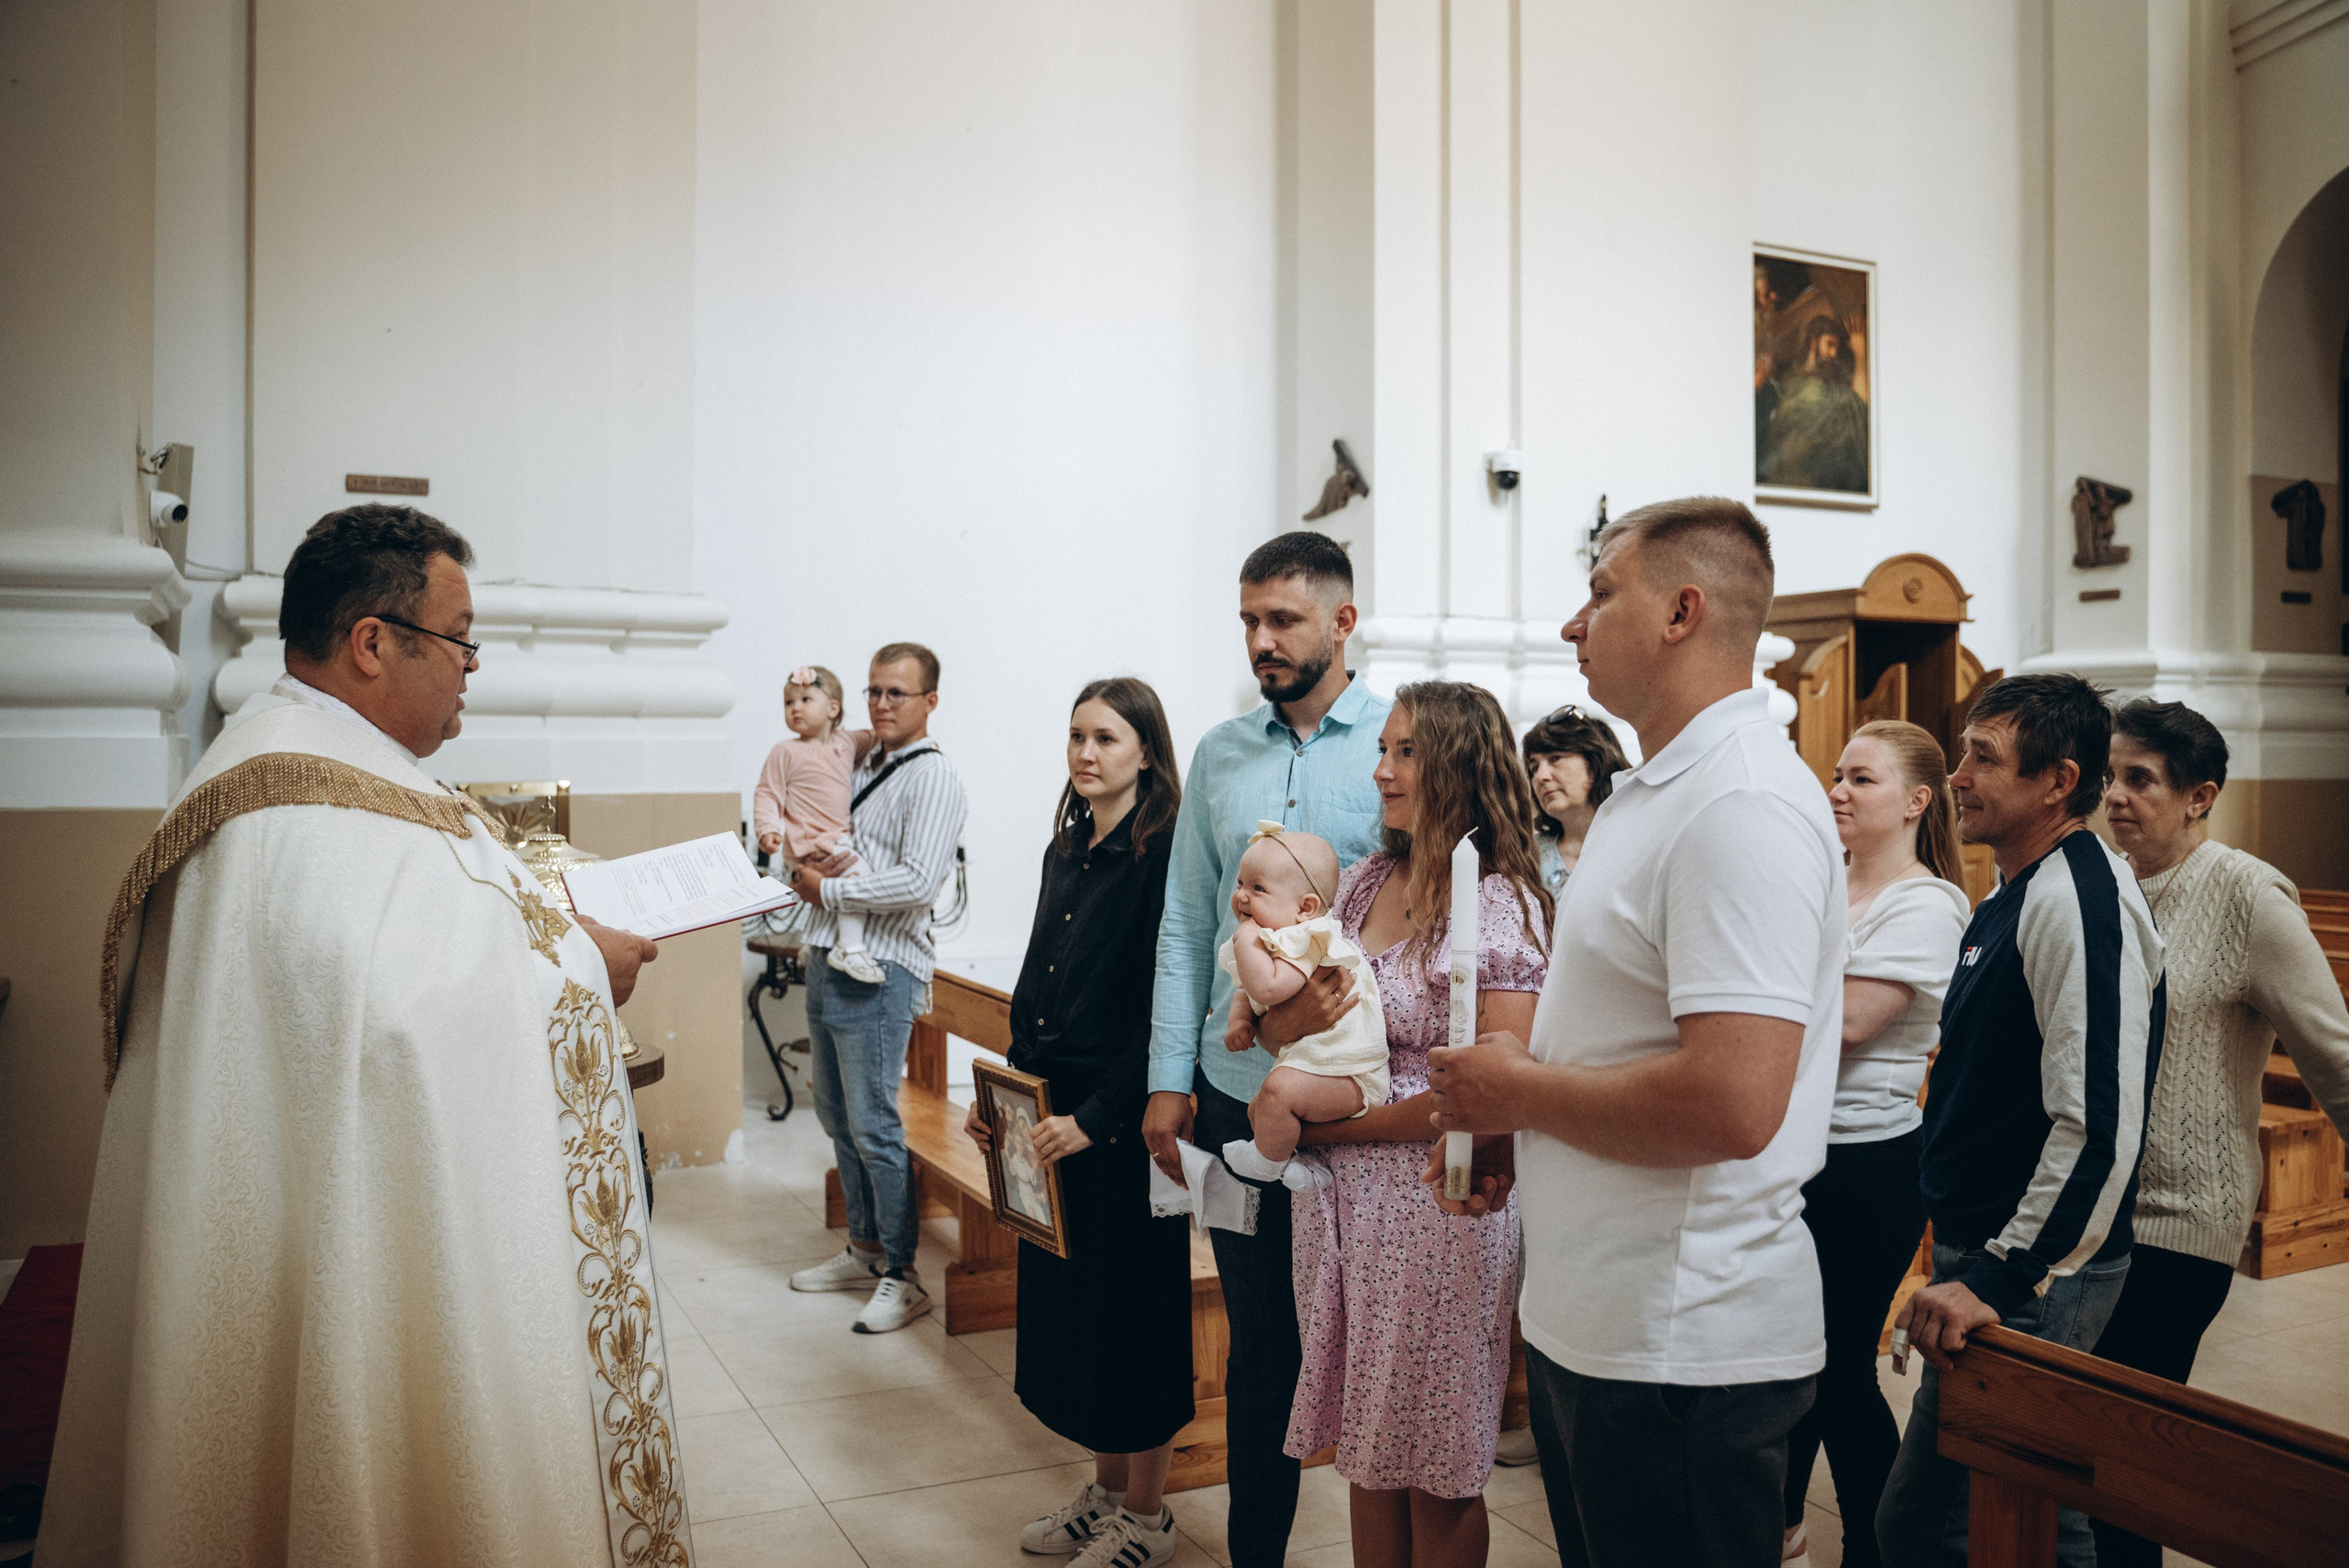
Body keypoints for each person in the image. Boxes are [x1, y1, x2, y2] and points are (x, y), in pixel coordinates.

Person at [39, 506, 685, 1565]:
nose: (472, 664)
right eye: (460, 637)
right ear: (373, 642)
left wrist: (545, 934)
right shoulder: (295, 803)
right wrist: (579, 969)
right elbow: (390, 1022)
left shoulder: (322, 766)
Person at [1425, 497, 1845, 1568]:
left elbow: (1732, 1101)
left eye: (1600, 592)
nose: (1573, 622)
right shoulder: (1652, 794)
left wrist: (1518, 1091)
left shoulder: (1740, 803)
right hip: (1605, 1319)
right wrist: (1527, 1128)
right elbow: (1624, 1044)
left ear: (1679, 611)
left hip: (1685, 1343)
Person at [1876, 673, 2164, 1568]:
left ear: (2057, 781)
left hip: (2037, 1270)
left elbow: (2099, 1122)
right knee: (2004, 1516)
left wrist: (2003, 1275)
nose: (1957, 776)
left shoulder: (2076, 899)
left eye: (1983, 758)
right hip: (1996, 1248)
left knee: (1953, 1523)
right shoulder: (2019, 887)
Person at [1144, 530, 1389, 1568]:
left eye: (1282, 618)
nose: (1260, 639)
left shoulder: (1396, 743)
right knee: (1257, 1346)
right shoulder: (1219, 751)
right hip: (1231, 1089)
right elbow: (1185, 923)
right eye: (1249, 619)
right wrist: (1169, 1078)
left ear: (1342, 620)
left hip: (1354, 1105)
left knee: (1376, 1345)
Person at [1283, 681, 1553, 1568]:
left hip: (1441, 1203)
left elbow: (1490, 1090)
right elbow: (1309, 1015)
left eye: (1406, 752)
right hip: (1346, 1210)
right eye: (1384, 749)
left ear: (1459, 766)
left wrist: (1328, 1130)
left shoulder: (1499, 902)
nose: (1383, 769)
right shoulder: (1366, 881)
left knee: (1437, 1465)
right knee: (1368, 1455)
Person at [2088, 699, 2349, 1568]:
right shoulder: (2105, 880)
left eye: (2140, 779)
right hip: (2096, 1210)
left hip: (2183, 1213)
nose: (2115, 795)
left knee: (2125, 1456)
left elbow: (2334, 1053)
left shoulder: (2248, 896)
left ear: (2199, 796)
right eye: (2111, 775)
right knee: (2082, 1444)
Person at [968, 677, 1193, 1568]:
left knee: (1134, 1318)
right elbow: (1038, 978)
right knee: (1084, 1320)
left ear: (1147, 750)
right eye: (1076, 736)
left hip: (1123, 1116)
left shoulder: (1162, 852)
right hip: (1049, 1107)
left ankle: (1149, 1514)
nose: (1086, 752)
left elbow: (1163, 1007)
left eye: (1105, 737)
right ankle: (1104, 1493)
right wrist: (1004, 1097)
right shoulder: (1067, 848)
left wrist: (1095, 1118)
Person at [1780, 721, 1969, 1568]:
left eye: (1862, 778)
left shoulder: (1927, 904)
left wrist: (1753, 1005)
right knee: (1786, 1365)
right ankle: (1783, 1521)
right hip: (1794, 1148)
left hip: (1866, 1162)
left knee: (1837, 1372)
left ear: (1918, 800)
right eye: (1837, 774)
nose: (1838, 791)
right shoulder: (1825, 878)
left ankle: (1879, 1549)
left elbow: (1851, 1023)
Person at [786, 642, 969, 1334]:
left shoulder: (935, 777)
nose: (881, 704)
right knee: (835, 1115)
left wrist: (829, 890)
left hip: (883, 968)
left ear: (930, 701)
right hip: (829, 953)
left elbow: (918, 883)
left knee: (873, 1124)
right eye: (873, 691)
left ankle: (903, 1272)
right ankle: (864, 1248)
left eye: (897, 692)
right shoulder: (860, 762)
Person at [1217, 824, 1390, 1184]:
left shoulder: (1309, 940)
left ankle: (1267, 1166)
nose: (1241, 896)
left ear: (1305, 908)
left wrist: (1246, 941)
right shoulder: (1273, 940)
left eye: (1258, 888)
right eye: (1240, 883)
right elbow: (1245, 992)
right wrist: (1239, 1023)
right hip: (1323, 1069)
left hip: (1354, 1076)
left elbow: (1269, 988)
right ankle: (1306, 1167)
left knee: (1276, 1094)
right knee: (1264, 1105)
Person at [752, 664, 881, 981]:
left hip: (836, 838)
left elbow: (880, 737)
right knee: (859, 875)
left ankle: (817, 942)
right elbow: (768, 792)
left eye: (805, 699)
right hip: (809, 840)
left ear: (832, 709)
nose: (795, 708)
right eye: (788, 702)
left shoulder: (846, 743)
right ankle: (850, 948)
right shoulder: (786, 751)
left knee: (832, 892)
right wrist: (767, 828)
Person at [1520, 704, 1631, 891]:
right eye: (1534, 768)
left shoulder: (1634, 842)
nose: (1540, 776)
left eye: (1556, 758)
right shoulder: (1528, 857)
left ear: (1596, 763)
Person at [1759, 313, 1870, 495]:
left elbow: (1856, 410)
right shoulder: (1800, 384)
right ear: (1813, 342)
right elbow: (1859, 406)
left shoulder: (1824, 386)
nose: (1833, 354)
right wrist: (1860, 354)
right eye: (1829, 344)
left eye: (1836, 347)